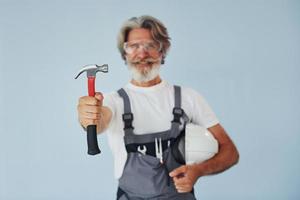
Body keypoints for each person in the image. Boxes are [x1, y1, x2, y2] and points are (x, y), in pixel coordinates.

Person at [77, 15, 239, 200]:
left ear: (162, 52)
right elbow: (99, 120)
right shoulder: (112, 101)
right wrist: (89, 115)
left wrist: (198, 171)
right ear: (125, 54)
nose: (142, 54)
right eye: (133, 46)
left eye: (151, 45)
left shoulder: (189, 98)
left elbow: (230, 152)